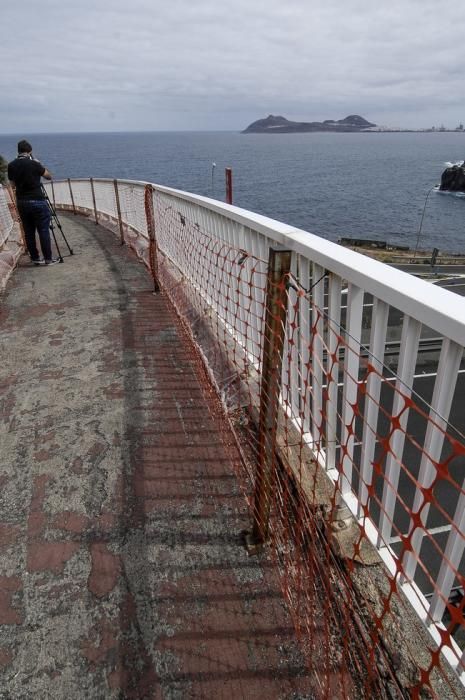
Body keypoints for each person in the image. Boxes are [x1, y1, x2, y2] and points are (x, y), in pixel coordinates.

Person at [7, 140, 58, 265]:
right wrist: (38, 164)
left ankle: (35, 258)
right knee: (43, 230)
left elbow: (12, 184)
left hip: (22, 202)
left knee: (29, 232)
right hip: (38, 200)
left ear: (18, 151)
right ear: (30, 151)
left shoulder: (11, 165)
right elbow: (48, 176)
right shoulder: (34, 163)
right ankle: (48, 259)